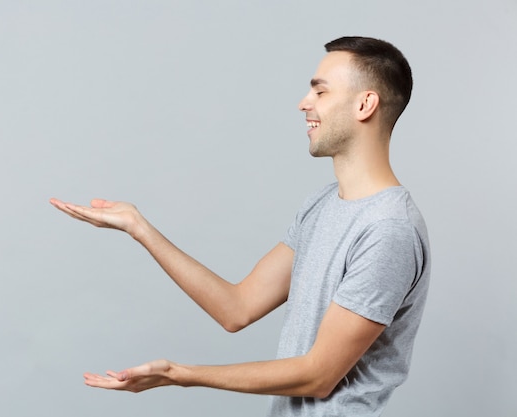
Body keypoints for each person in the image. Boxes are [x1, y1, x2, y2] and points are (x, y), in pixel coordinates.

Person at [50, 36, 431, 417]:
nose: (304, 102)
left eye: (321, 91)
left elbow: (319, 375)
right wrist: (139, 228)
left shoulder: (388, 229)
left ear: (365, 104)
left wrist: (182, 374)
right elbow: (237, 308)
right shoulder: (321, 205)